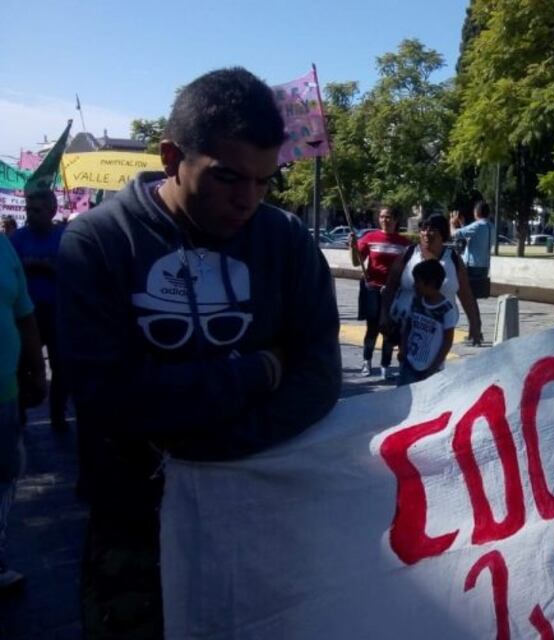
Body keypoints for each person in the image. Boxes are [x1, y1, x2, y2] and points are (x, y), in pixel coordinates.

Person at [57, 67, 343, 638]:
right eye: (228, 178)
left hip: (259, 512)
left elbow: (318, 376)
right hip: (136, 529)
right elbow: (108, 396)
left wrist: (212, 448)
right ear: (171, 157)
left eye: (265, 182)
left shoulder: (285, 241)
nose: (248, 201)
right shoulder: (97, 244)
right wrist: (256, 372)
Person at [0, 233, 45, 592]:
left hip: (4, 392)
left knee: (4, 474)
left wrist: (33, 369)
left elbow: (24, 314)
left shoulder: (3, 246)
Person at [381, 214, 482, 355]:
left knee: (433, 367)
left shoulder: (453, 259)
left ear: (443, 233)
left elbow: (465, 293)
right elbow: (391, 286)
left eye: (433, 229)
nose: (427, 233)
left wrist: (474, 323)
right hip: (407, 327)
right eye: (423, 228)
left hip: (440, 330)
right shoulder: (409, 254)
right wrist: (384, 315)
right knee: (410, 367)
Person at [11, 189, 68, 430]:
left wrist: (49, 267)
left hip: (56, 312)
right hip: (26, 314)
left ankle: (58, 415)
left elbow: (74, 270)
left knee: (61, 367)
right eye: (28, 210)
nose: (31, 215)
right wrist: (29, 265)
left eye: (37, 210)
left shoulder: (66, 237)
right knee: (22, 365)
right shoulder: (16, 239)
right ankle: (20, 414)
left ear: (52, 211)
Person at [349, 206, 411, 379]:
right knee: (372, 327)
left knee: (389, 329)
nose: (385, 220)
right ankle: (366, 362)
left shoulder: (404, 243)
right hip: (372, 288)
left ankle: (385, 365)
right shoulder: (370, 238)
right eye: (382, 217)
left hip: (393, 291)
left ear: (396, 219)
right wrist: (353, 247)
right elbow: (356, 262)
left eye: (389, 217)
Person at [397, 259, 458, 386]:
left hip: (431, 368)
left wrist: (435, 367)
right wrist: (402, 349)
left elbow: (447, 341)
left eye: (418, 281)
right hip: (409, 363)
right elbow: (408, 326)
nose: (414, 285)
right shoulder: (417, 302)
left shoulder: (445, 309)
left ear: (430, 283)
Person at [451, 201, 494, 302]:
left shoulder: (477, 225)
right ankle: (474, 315)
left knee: (467, 295)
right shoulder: (491, 226)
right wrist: (462, 225)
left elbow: (454, 234)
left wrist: (451, 223)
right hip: (484, 265)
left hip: (472, 265)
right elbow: (473, 239)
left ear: (477, 212)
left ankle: (473, 316)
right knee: (474, 295)